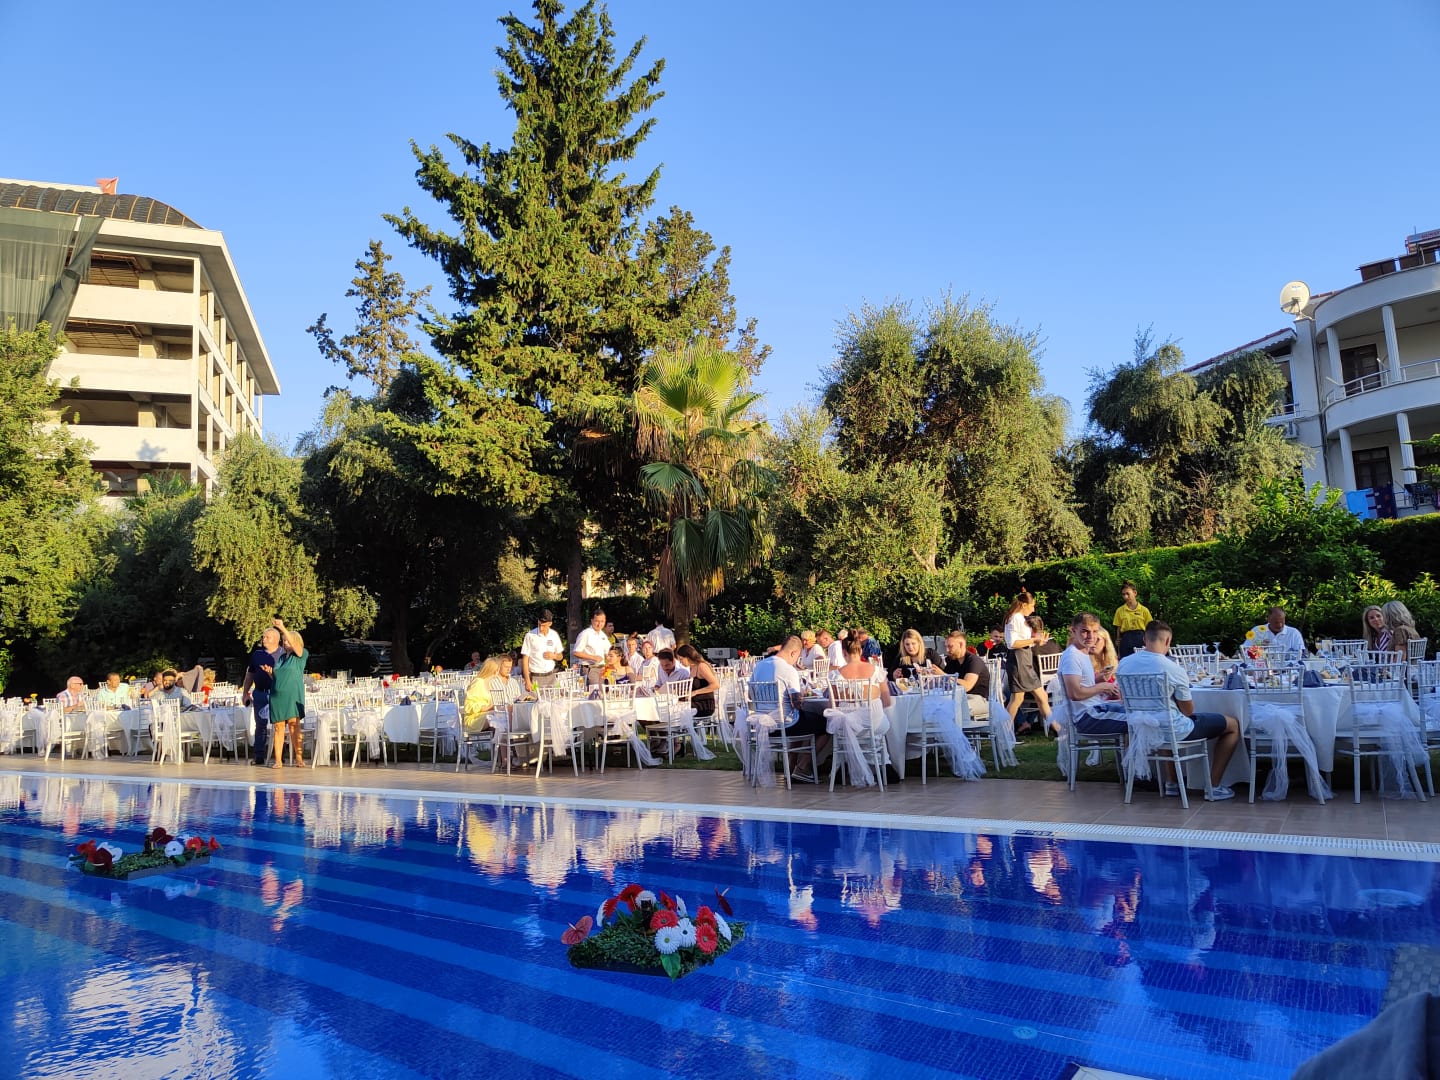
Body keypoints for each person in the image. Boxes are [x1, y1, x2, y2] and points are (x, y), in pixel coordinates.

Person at [1117, 619, 1240, 801]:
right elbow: (1188, 711)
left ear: (1144, 639)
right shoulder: (1172, 668)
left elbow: (1123, 698)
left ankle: (1172, 783)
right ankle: (1214, 786)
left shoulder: (1124, 664)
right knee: (1232, 725)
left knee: (1163, 720)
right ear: (1168, 641)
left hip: (1140, 727)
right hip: (1172, 729)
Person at [752, 634, 829, 781]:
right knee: (826, 724)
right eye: (797, 657)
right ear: (793, 653)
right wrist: (802, 696)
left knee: (802, 719)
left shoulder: (759, 666)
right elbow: (796, 704)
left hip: (762, 724)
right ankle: (802, 766)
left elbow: (751, 694)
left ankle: (792, 766)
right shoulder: (788, 670)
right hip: (785, 724)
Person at [1057, 613, 1125, 737]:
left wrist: (1098, 679)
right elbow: (1075, 694)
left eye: (1095, 631)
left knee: (1139, 713)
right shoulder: (1072, 656)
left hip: (1095, 709)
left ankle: (1129, 750)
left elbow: (1083, 684)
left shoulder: (1083, 652)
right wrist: (1102, 687)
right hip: (1087, 716)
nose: (1091, 636)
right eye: (1085, 631)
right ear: (1073, 631)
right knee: (1139, 720)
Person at [1003, 590, 1052, 733]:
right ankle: (1005, 732)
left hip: (1025, 658)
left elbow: (1023, 641)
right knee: (1018, 698)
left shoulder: (1020, 618)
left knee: (1040, 696)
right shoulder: (1014, 619)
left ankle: (1057, 728)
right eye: (1032, 606)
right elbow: (1013, 643)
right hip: (1019, 660)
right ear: (1024, 605)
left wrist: (1036, 641)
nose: (1033, 609)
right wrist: (1034, 640)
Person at [267, 618, 309, 769]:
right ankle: (278, 760)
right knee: (278, 728)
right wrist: (270, 673)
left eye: (287, 640)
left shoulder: (301, 654)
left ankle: (299, 758)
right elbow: (278, 676)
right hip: (277, 696)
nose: (285, 643)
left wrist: (282, 627)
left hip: (292, 695)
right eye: (283, 641)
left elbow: (296, 647)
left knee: (293, 725)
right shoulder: (281, 658)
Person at [241, 627, 282, 767]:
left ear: (276, 639)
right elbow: (250, 674)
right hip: (259, 693)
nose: (264, 639)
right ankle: (259, 756)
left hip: (276, 693)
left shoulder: (283, 655)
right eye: (263, 637)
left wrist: (272, 674)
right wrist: (245, 693)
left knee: (279, 725)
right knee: (260, 724)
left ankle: (279, 756)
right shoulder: (257, 655)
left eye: (267, 637)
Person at [942, 631, 990, 718]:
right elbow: (943, 683)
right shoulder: (953, 661)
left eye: (950, 646)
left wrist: (944, 675)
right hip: (959, 698)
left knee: (951, 708)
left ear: (961, 645)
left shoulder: (974, 661)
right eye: (946, 647)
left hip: (979, 699)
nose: (947, 650)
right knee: (935, 705)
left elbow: (967, 686)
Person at [521, 610, 565, 691]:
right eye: (539, 625)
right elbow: (525, 659)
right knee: (536, 698)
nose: (541, 628)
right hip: (536, 677)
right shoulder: (530, 636)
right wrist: (527, 681)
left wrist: (554, 656)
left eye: (544, 626)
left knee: (555, 698)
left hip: (551, 676)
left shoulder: (554, 635)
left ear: (550, 623)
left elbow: (561, 656)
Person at [675, 644, 719, 719]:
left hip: (704, 705)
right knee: (673, 706)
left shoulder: (701, 666)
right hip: (695, 702)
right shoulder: (692, 668)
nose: (680, 662)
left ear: (688, 657)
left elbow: (716, 685)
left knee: (678, 710)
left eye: (681, 659)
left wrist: (695, 692)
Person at [1112, 580, 1153, 659]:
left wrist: (1149, 643)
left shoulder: (1144, 610)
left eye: (1128, 594)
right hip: (1126, 639)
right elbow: (1118, 630)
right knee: (1126, 661)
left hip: (1141, 639)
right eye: (1123, 594)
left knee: (1141, 661)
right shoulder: (1120, 611)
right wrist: (1118, 650)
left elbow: (1150, 628)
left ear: (1135, 593)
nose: (1125, 597)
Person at [572, 609, 611, 685]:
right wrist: (593, 657)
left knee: (604, 690)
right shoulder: (585, 634)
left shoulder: (603, 635)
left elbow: (608, 652)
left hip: (602, 669)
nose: (599, 624)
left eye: (602, 621)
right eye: (597, 621)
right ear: (592, 621)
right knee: (594, 690)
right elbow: (576, 652)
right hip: (590, 668)